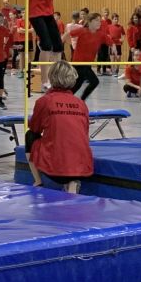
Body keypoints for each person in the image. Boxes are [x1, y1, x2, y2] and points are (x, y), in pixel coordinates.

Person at [0, 0, 81, 90]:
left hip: (48, 13)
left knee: (58, 46)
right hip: (36, 13)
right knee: (47, 45)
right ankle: (44, 80)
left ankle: (56, 77)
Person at [26, 59, 92, 194]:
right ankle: (72, 182)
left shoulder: (44, 101)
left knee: (30, 136)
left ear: (52, 77)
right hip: (82, 167)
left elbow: (35, 128)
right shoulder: (81, 103)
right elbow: (84, 132)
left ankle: (38, 181)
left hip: (55, 170)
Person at [63, 12, 104, 102]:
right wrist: (61, 42)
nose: (99, 22)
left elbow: (107, 39)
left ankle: (66, 99)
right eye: (97, 20)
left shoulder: (98, 33)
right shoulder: (82, 30)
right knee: (94, 81)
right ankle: (81, 100)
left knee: (78, 84)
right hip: (79, 63)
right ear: (90, 22)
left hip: (87, 64)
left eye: (100, 21)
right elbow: (68, 33)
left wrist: (113, 46)